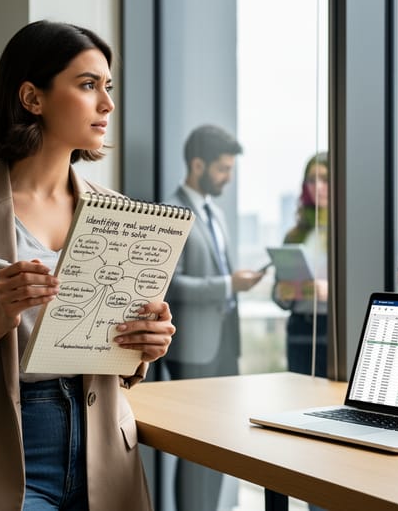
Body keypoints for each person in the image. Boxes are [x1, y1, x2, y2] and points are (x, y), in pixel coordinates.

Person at [0, 21, 174, 511]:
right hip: (4, 447)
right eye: (88, 85)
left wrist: (144, 347)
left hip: (104, 447)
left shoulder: (118, 212)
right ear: (32, 97)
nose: (107, 104)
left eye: (107, 87)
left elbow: (114, 359)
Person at [164, 124, 264, 511]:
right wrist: (227, 285)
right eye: (223, 169)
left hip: (224, 342)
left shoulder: (216, 213)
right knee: (195, 447)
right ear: (198, 164)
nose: (228, 178)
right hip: (192, 348)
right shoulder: (173, 212)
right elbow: (170, 285)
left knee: (219, 440)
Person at [273, 152, 330, 377]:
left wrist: (330, 292)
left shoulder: (348, 234)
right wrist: (282, 293)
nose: (318, 187)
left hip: (334, 331)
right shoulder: (294, 235)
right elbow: (278, 294)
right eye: (312, 180)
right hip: (299, 330)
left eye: (325, 179)